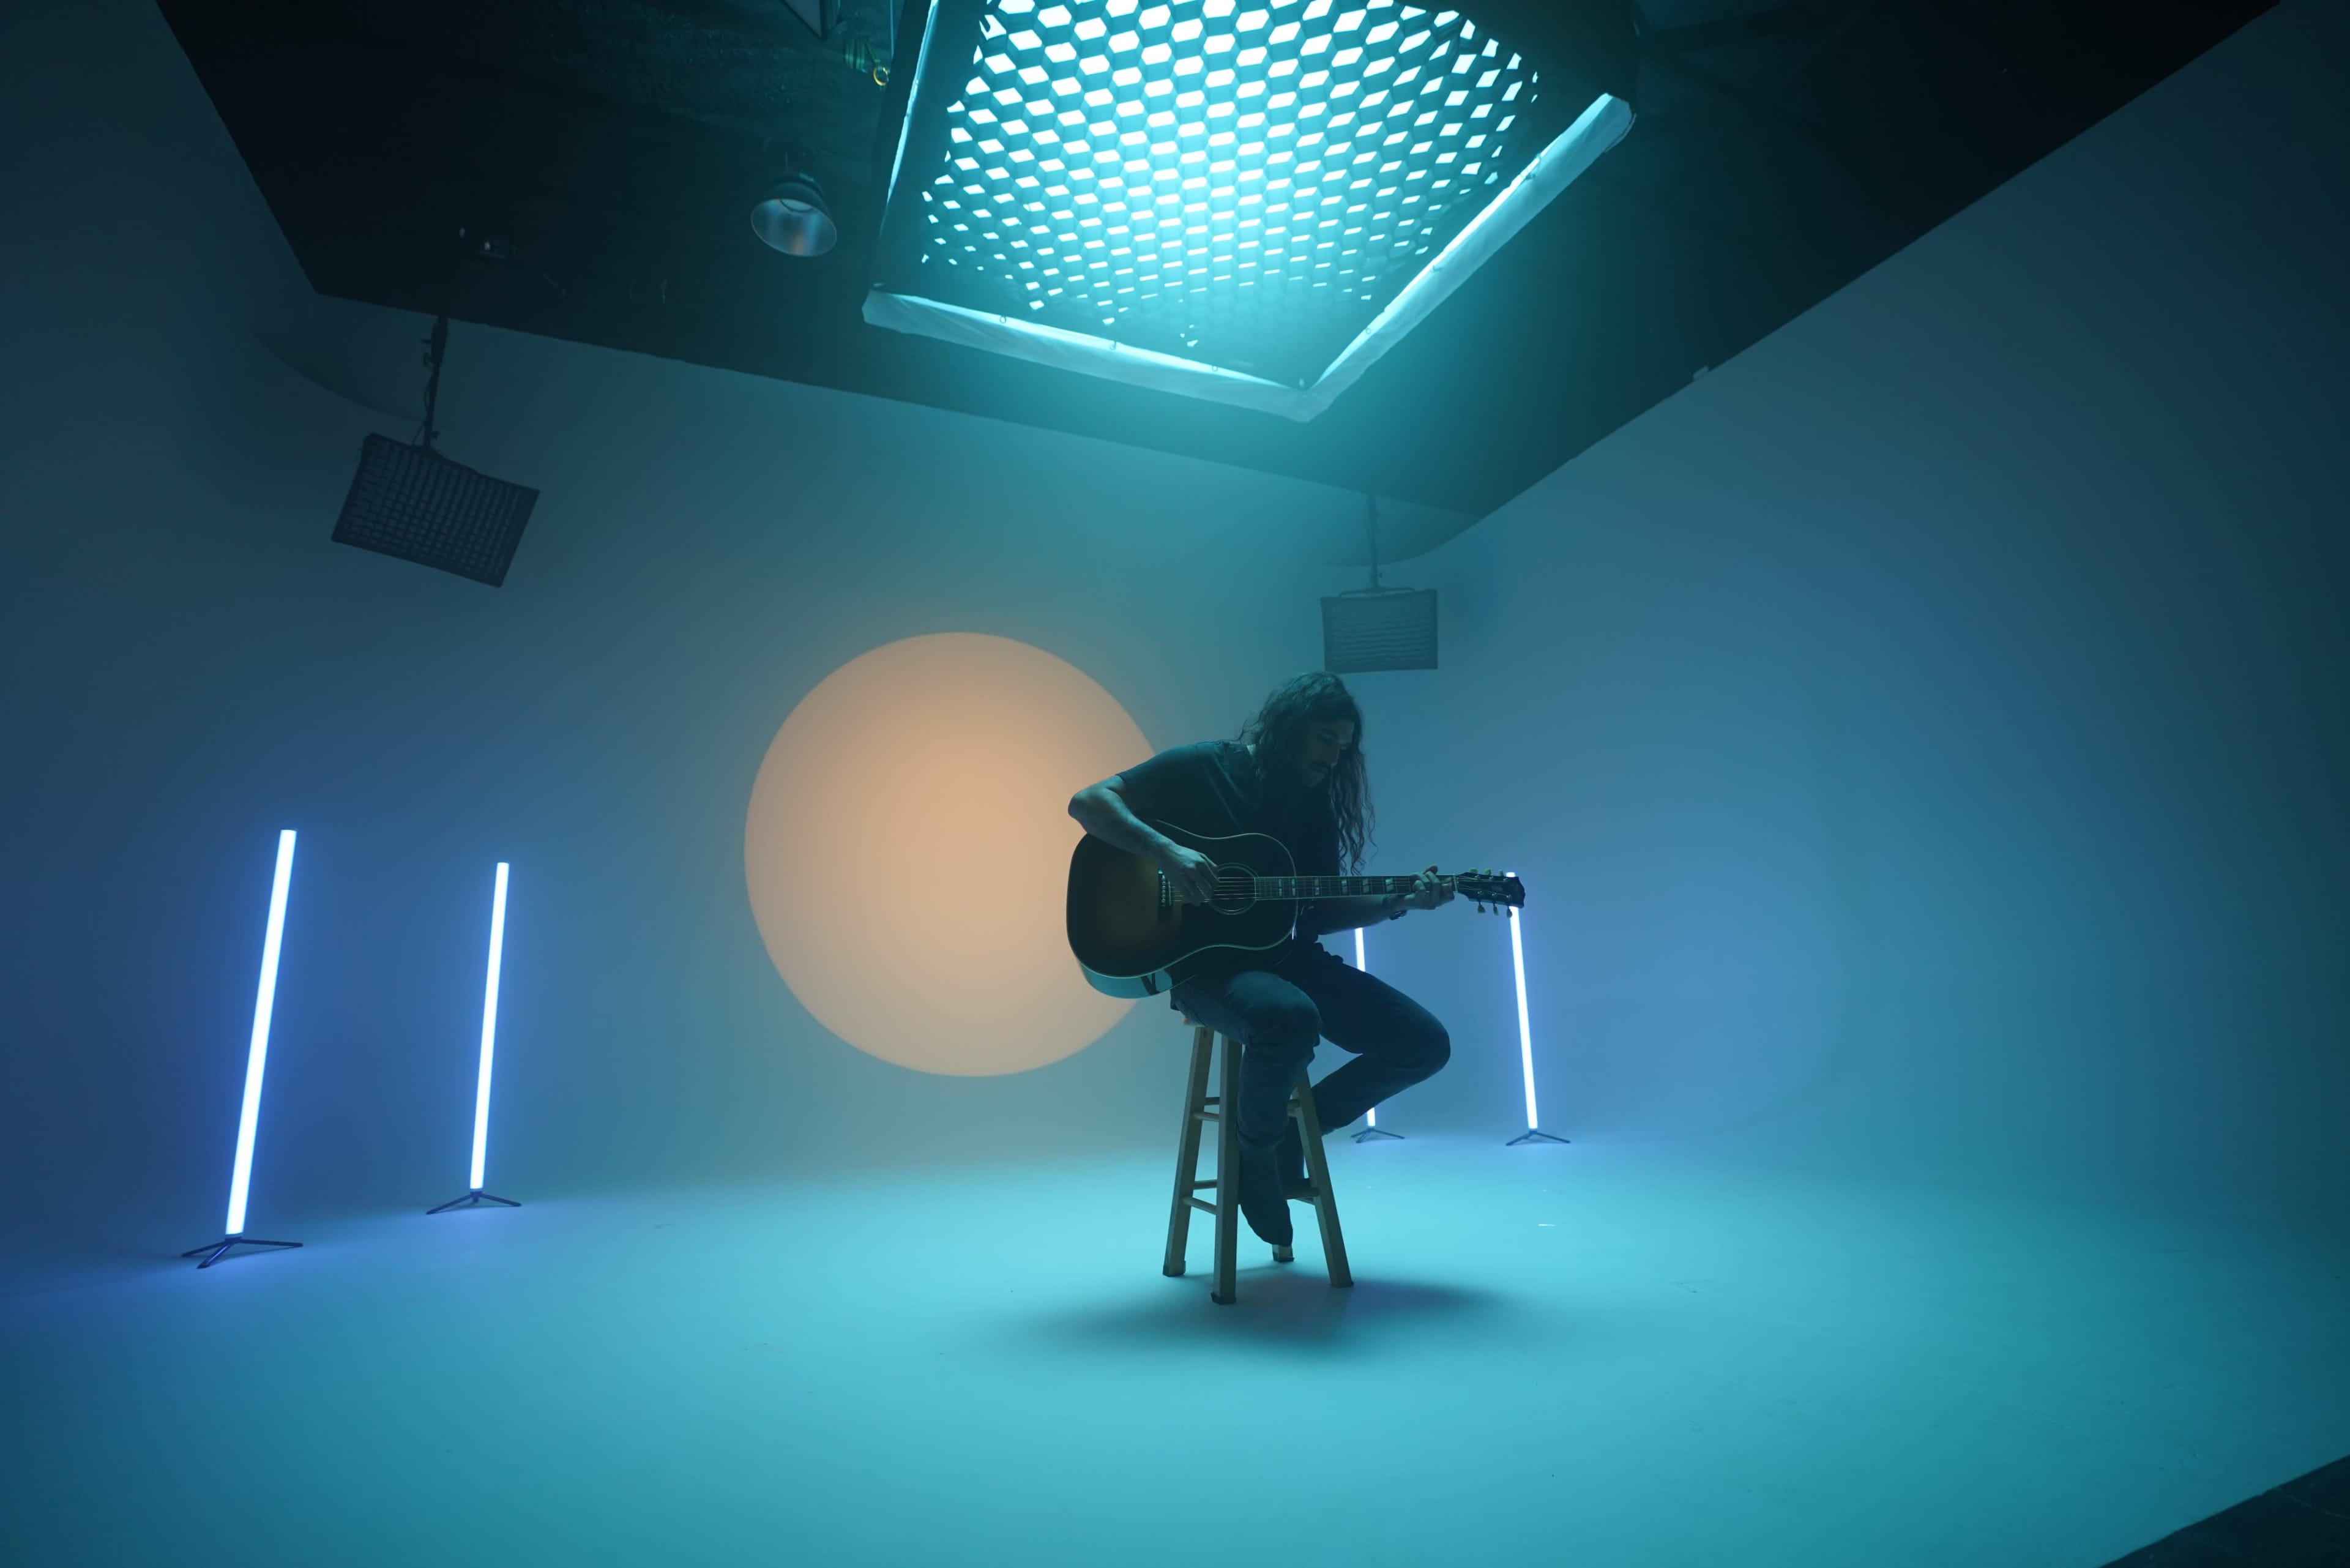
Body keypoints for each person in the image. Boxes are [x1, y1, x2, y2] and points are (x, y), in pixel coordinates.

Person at [1067, 671, 1455, 1250]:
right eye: (1325, 739)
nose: (1332, 758)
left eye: (1343, 748)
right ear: (1288, 727)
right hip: (1203, 966)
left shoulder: (1313, 807)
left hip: (1286, 956)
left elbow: (1317, 909)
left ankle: (1289, 1139)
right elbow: (1089, 802)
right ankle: (1253, 1161)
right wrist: (1169, 854)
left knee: (1423, 1043)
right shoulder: (1206, 766)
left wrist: (1399, 902)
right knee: (1288, 1019)